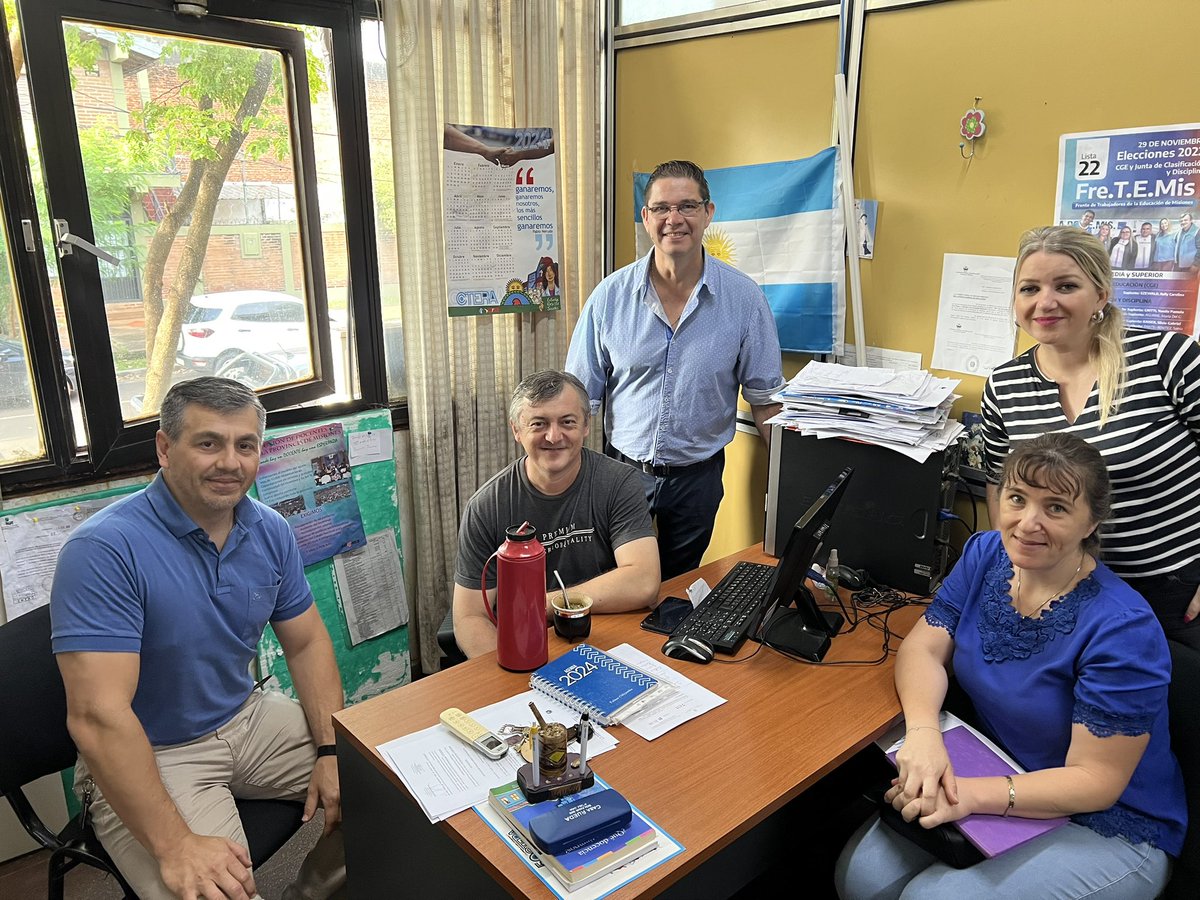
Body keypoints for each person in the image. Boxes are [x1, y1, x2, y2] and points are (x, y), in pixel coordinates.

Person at [835, 433, 1185, 899]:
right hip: (1001, 772)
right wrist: (923, 737)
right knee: (860, 876)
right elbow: (923, 648)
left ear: (1091, 522)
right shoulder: (985, 554)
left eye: (1056, 508)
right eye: (1017, 499)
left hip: (1110, 822)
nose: (1027, 523)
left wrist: (964, 795)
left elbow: (1096, 782)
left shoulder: (1124, 629)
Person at [50, 377, 346, 900]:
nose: (230, 462)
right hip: (154, 750)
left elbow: (306, 644)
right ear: (165, 448)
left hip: (248, 718)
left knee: (381, 791)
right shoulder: (103, 550)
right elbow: (97, 716)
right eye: (208, 442)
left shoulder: (270, 529)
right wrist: (175, 844)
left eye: (245, 445)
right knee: (214, 892)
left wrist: (329, 750)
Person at [565, 159, 786, 579]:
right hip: (621, 473)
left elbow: (766, 402)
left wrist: (794, 476)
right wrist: (567, 478)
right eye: (662, 208)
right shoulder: (609, 298)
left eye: (687, 206)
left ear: (708, 213)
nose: (674, 219)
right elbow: (578, 399)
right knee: (613, 580)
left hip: (696, 480)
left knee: (676, 585)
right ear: (646, 218)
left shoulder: (744, 299)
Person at [982, 225, 1200, 648]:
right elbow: (998, 483)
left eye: (1066, 285)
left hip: (1173, 593)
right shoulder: (1005, 385)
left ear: (1100, 295)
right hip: (1065, 591)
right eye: (1029, 288)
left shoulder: (1167, 360)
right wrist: (1019, 568)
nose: (1045, 302)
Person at [452, 370, 660, 658]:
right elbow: (470, 617)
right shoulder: (487, 506)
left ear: (586, 425)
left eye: (567, 422)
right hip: (525, 643)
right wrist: (510, 675)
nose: (553, 436)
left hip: (604, 633)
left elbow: (644, 581)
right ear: (517, 430)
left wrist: (542, 604)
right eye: (539, 424)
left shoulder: (619, 483)